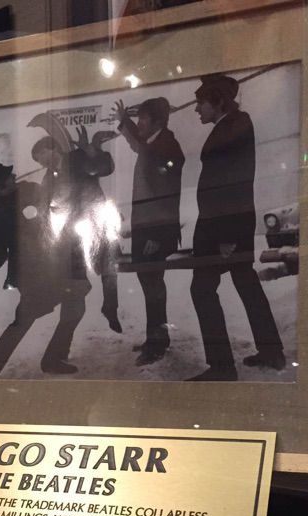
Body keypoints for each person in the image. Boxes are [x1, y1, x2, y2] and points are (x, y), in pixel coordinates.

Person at [187, 74, 285, 381]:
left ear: (217, 102)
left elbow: (234, 181)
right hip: (225, 224)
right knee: (245, 283)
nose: (197, 109)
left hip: (223, 228)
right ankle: (271, 352)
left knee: (202, 289)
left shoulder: (235, 126)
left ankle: (222, 367)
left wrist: (227, 235)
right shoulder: (231, 125)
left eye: (201, 102)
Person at [0, 163, 88, 377]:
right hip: (33, 278)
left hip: (58, 267)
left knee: (75, 306)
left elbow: (54, 197)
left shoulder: (31, 191)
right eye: (8, 176)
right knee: (20, 325)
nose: (14, 176)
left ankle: (53, 359)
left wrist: (56, 172)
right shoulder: (1, 218)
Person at [113, 97, 184, 365]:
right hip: (147, 229)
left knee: (153, 286)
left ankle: (156, 344)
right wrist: (125, 121)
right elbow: (138, 144)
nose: (140, 123)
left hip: (155, 231)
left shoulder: (166, 147)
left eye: (143, 118)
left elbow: (166, 196)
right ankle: (156, 338)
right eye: (139, 118)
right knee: (150, 284)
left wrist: (157, 235)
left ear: (157, 121)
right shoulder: (153, 143)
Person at [31, 130, 122, 334]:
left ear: (51, 148)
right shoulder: (49, 177)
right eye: (38, 161)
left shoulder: (76, 158)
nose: (42, 162)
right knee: (76, 270)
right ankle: (74, 306)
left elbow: (104, 168)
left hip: (96, 220)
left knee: (108, 266)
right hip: (72, 228)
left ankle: (110, 307)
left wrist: (92, 151)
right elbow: (44, 201)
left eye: (41, 156)